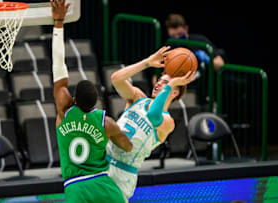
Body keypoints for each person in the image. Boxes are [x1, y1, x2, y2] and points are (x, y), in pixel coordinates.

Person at [50, 0, 132, 202]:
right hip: (104, 186)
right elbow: (128, 147)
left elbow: (58, 66)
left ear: (74, 99)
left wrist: (58, 22)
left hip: (76, 188)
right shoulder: (106, 123)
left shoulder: (64, 111)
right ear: (96, 103)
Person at [107, 46, 196, 201]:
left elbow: (153, 115)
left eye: (165, 83)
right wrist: (147, 62)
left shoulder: (168, 122)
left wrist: (171, 83)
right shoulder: (138, 98)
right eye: (160, 80)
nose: (158, 83)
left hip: (123, 173)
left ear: (174, 92)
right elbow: (116, 78)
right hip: (102, 161)